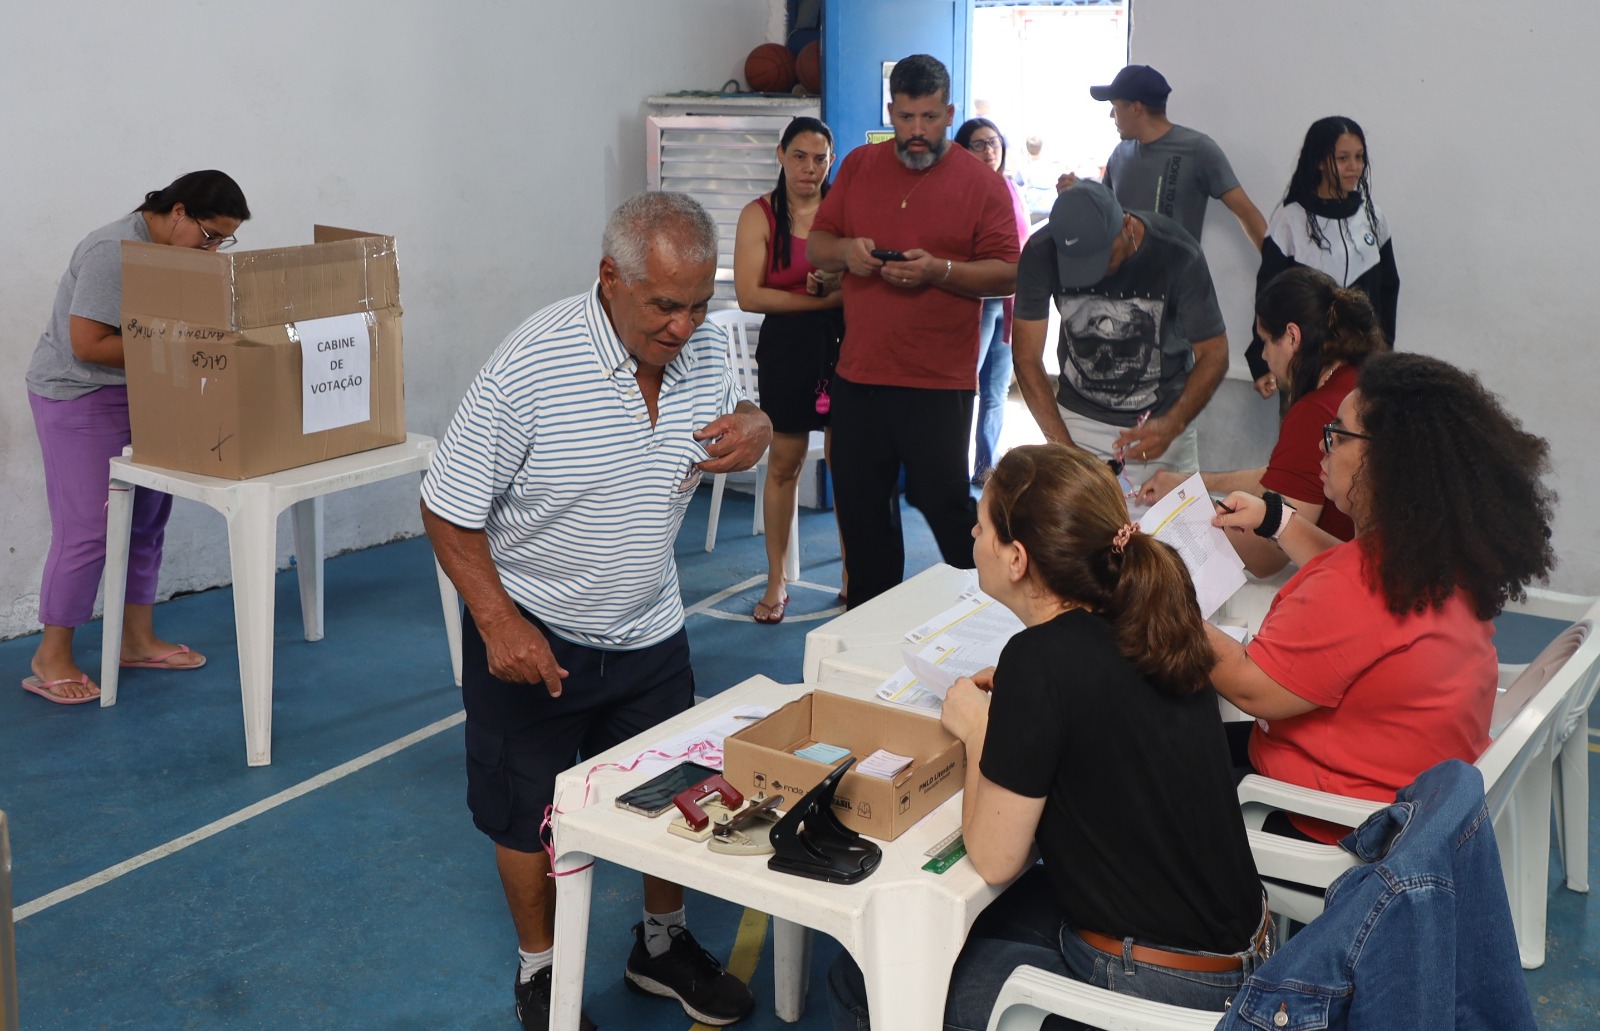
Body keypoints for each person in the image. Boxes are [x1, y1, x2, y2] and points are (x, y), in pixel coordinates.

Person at [421, 192, 771, 1030]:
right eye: (663, 306)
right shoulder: (531, 367)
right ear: (609, 276)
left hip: (650, 624)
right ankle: (541, 972)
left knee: (673, 790)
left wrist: (756, 423)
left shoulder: (708, 346)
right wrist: (500, 625)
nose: (683, 327)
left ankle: (660, 944)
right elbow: (446, 503)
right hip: (535, 633)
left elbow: (746, 415)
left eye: (697, 305)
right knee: (523, 813)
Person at [828, 444, 1268, 1030]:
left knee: (866, 978)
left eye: (982, 526)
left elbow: (995, 858)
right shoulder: (1149, 614)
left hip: (1160, 986)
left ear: (1017, 559)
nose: (972, 534)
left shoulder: (1041, 660)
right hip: (1237, 954)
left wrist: (981, 725)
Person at [1207, 352, 1556, 843]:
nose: (1322, 445)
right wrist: (1276, 520)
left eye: (1338, 433)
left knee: (1156, 760)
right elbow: (1352, 579)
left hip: (1343, 825)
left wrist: (1163, 594)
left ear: (1386, 459)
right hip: (1415, 802)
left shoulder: (1356, 585)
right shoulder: (1433, 559)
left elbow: (1248, 686)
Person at [23, 170, 251, 705]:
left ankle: (138, 640)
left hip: (147, 393)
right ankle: (49, 656)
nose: (213, 249)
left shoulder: (183, 253)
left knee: (148, 519)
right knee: (88, 529)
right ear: (178, 214)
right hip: (78, 395)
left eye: (225, 240)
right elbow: (87, 344)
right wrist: (185, 344)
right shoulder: (112, 250)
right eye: (209, 235)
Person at [807, 54, 1021, 608]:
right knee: (861, 511)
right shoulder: (857, 166)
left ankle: (986, 618)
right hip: (860, 375)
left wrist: (939, 271)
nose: (917, 132)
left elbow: (1009, 269)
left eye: (929, 117)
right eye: (906, 118)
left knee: (947, 506)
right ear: (891, 112)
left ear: (949, 113)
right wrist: (848, 255)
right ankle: (870, 625)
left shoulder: (982, 184)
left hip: (938, 381)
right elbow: (818, 245)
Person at [1137, 267, 1387, 573]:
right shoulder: (1357, 379)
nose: (1265, 356)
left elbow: (1267, 556)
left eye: (1266, 341)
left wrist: (1183, 515)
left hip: (1353, 580)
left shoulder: (1316, 412)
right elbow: (1286, 474)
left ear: (1292, 336)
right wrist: (1194, 484)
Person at [1012, 180, 1229, 485]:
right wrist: (1064, 450)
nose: (1095, 274)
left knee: (1171, 530)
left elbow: (1214, 353)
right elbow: (1026, 357)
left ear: (1126, 225)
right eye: (1080, 265)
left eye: (1102, 258)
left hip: (1159, 423)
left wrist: (1174, 422)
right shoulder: (1041, 251)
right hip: (1076, 418)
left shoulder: (1177, 253)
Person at [732, 116, 847, 622]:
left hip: (847, 344)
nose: (809, 168)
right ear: (780, 155)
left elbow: (870, 285)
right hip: (787, 349)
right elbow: (749, 294)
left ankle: (853, 573)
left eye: (819, 158)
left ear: (832, 159)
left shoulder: (845, 213)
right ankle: (776, 580)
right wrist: (821, 300)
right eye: (799, 156)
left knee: (851, 467)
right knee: (785, 463)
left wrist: (832, 296)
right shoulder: (759, 215)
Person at [1245, 116, 1399, 399]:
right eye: (1343, 158)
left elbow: (1388, 290)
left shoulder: (1373, 218)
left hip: (1361, 371)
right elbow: (1268, 296)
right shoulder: (1290, 220)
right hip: (1305, 370)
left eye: (1359, 157)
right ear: (1319, 162)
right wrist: (1260, 362)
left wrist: (1384, 355)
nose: (1354, 167)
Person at [1064, 65, 1265, 250]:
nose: (1110, 115)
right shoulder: (1119, 154)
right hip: (1125, 284)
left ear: (1136, 108)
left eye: (1115, 107)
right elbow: (1107, 214)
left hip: (1178, 284)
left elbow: (1246, 211)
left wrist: (1279, 270)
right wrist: (1079, 193)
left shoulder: (1197, 150)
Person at [953, 118, 1030, 483]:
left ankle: (985, 469)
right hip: (975, 304)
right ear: (962, 150)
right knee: (964, 388)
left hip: (1009, 303)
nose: (988, 151)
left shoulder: (1011, 188)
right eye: (979, 144)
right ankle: (949, 465)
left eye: (994, 143)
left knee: (996, 390)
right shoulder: (957, 193)